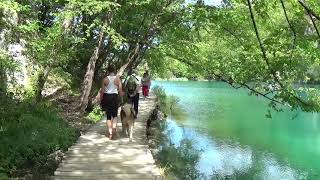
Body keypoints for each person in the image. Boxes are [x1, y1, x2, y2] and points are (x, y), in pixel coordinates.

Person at [100, 65, 123, 140]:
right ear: (114, 70)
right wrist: (121, 99)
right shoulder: (118, 79)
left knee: (108, 116)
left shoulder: (105, 79)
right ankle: (114, 128)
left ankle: (110, 132)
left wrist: (101, 99)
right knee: (115, 115)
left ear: (108, 70)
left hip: (107, 97)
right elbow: (120, 90)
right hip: (114, 97)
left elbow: (102, 91)